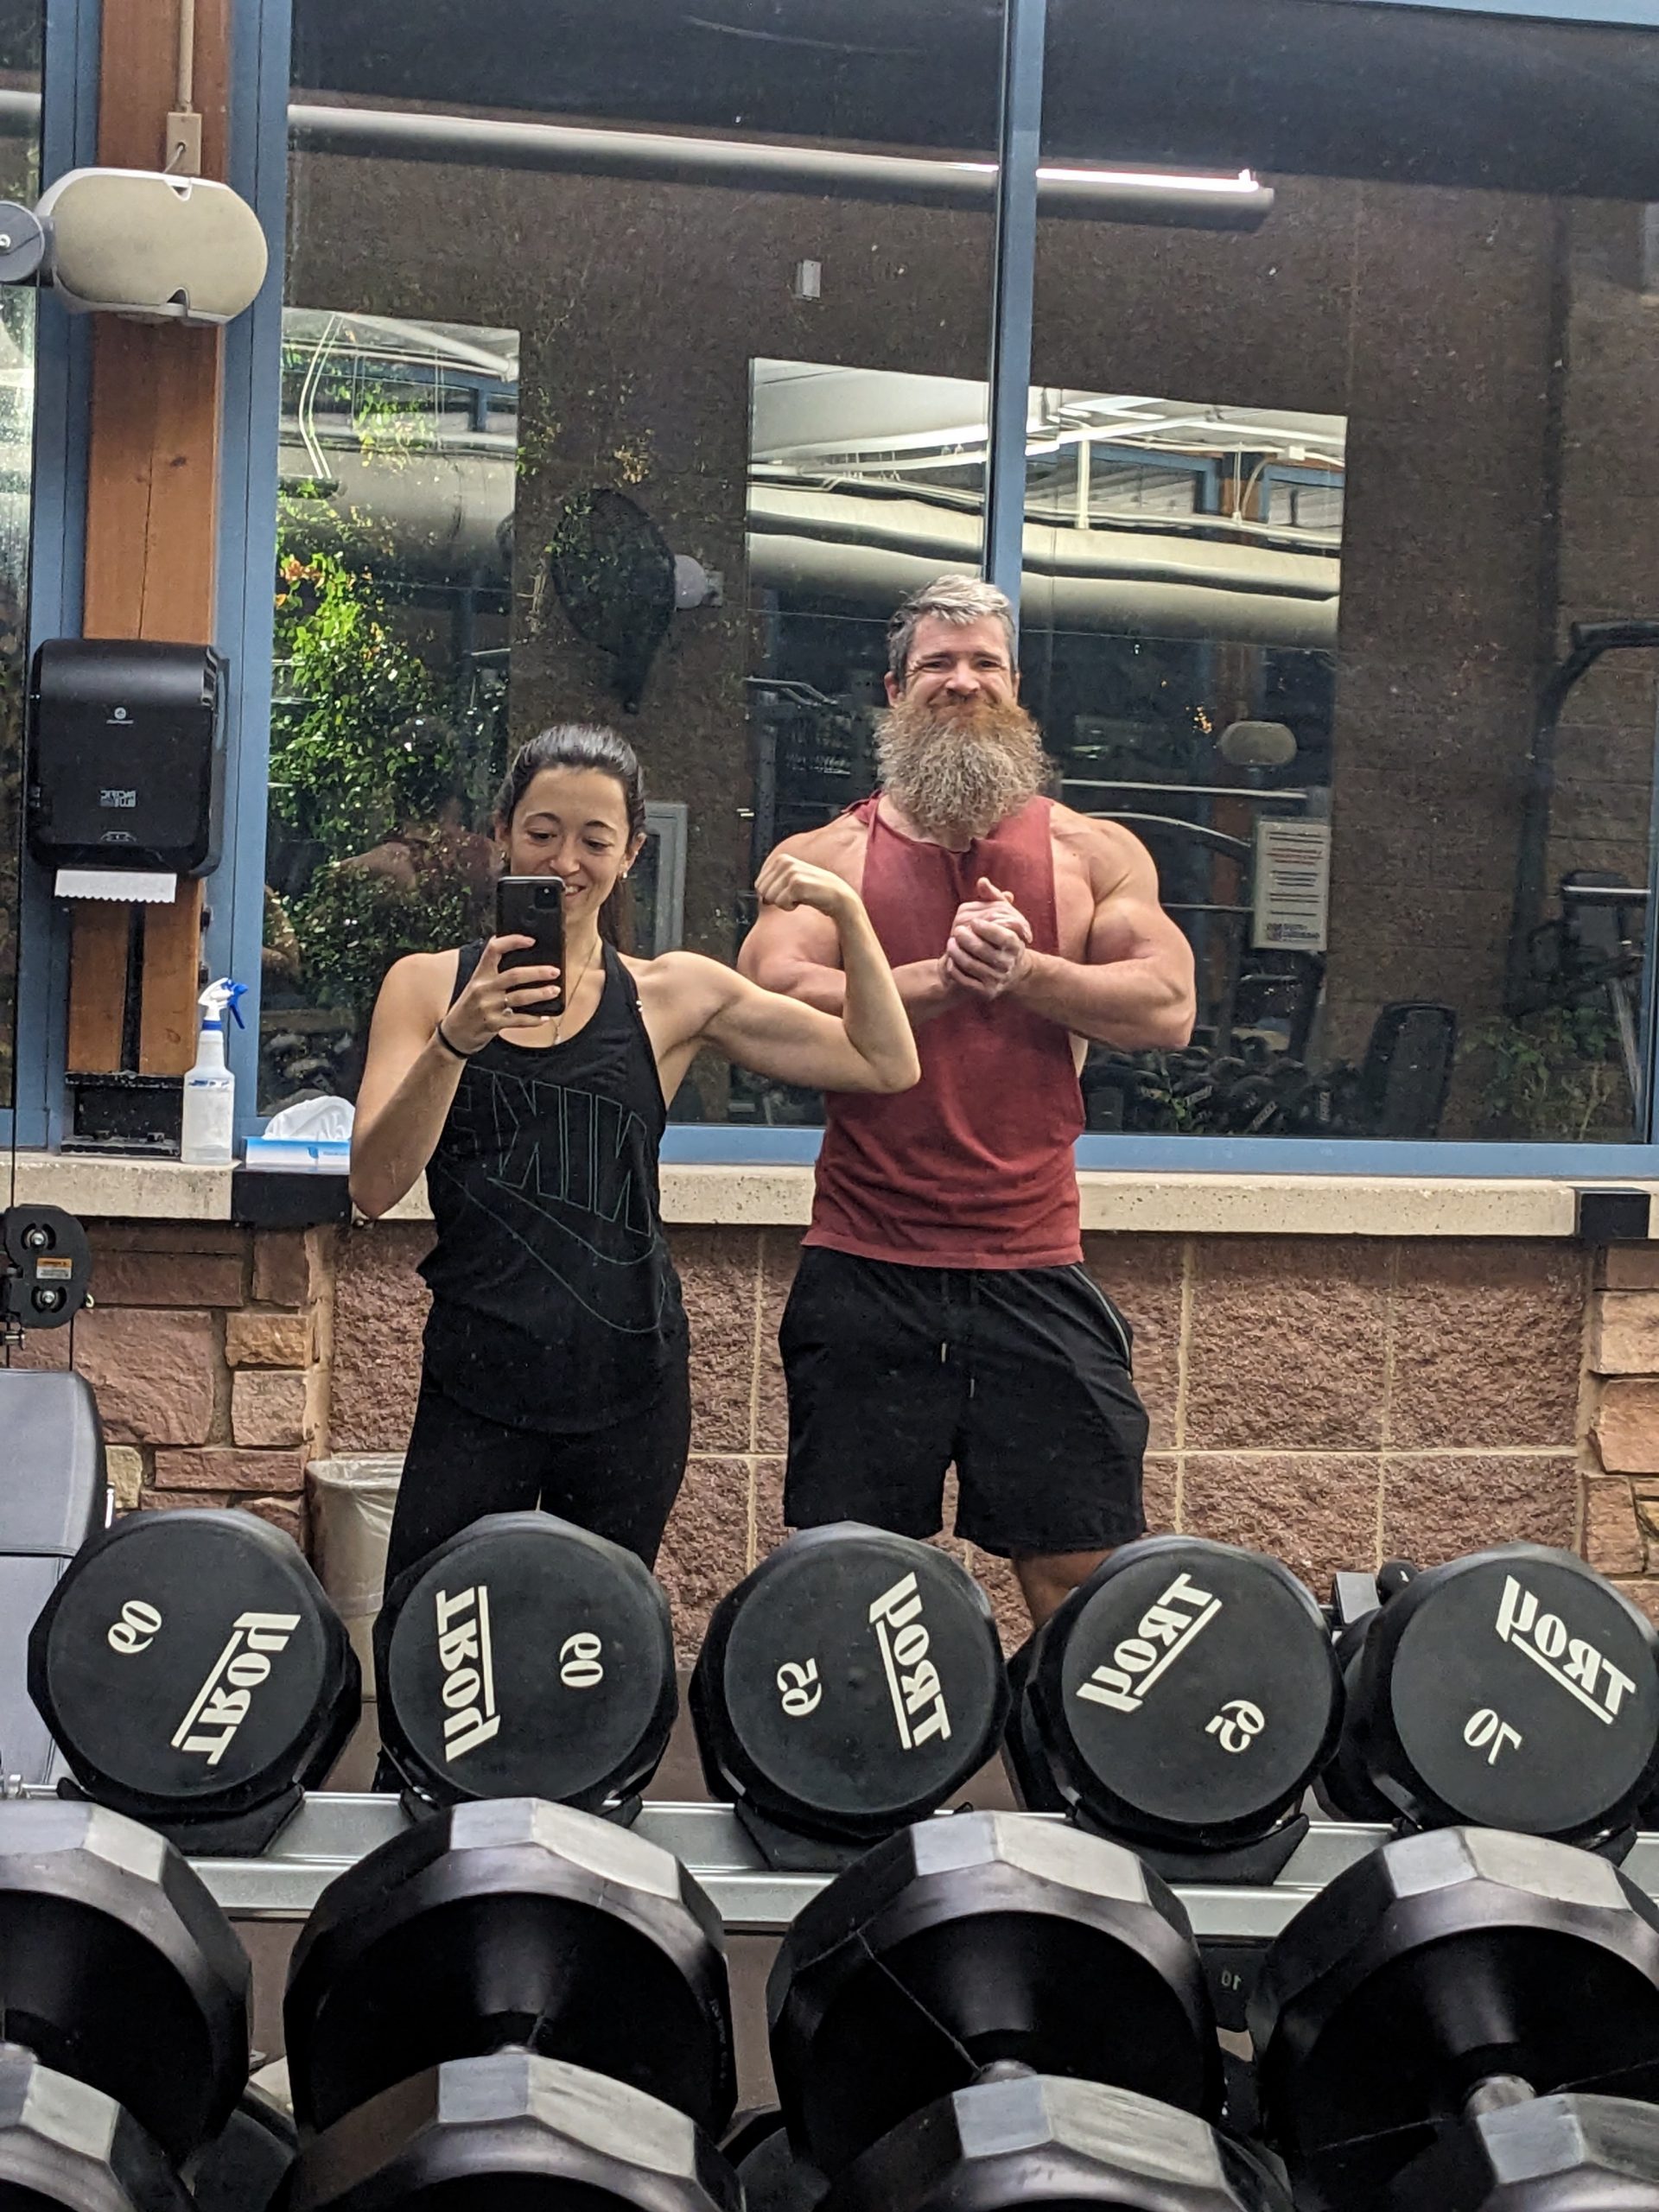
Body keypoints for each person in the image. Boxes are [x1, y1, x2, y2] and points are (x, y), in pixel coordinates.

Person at [351, 722, 919, 1587]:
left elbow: (885, 1063)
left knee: (599, 1641)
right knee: (433, 1634)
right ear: (502, 833)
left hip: (629, 1387)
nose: (565, 861)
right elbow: (373, 1184)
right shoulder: (426, 987)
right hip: (477, 1380)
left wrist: (847, 911)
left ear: (631, 854)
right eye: (542, 832)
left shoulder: (673, 994)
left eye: (594, 840)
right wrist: (455, 1042)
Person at [739, 575, 1197, 1625]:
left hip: (1033, 1263)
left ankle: (1058, 1743)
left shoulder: (1091, 854)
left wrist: (1024, 971)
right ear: (894, 692)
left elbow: (1168, 1004)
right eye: (937, 664)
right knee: (856, 1580)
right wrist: (940, 980)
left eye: (985, 662)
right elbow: (772, 1000)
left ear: (1016, 689)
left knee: (1081, 1576)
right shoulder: (827, 861)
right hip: (867, 1264)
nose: (962, 680)